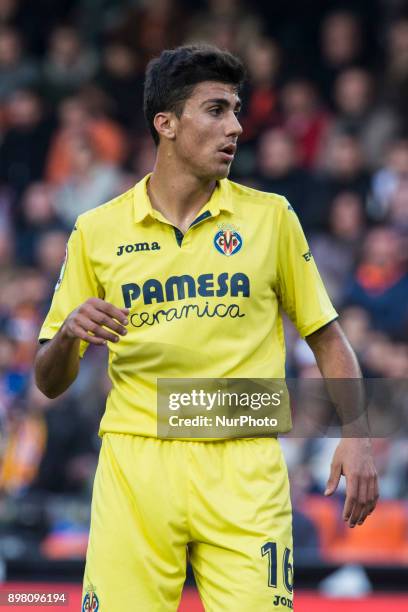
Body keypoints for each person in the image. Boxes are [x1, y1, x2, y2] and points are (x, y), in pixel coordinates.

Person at [34, 45, 378, 611]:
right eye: (217, 110)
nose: (237, 127)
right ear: (165, 124)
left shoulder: (272, 217)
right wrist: (69, 332)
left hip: (244, 463)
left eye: (237, 110)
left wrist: (358, 433)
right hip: (136, 464)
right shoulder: (96, 230)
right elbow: (49, 381)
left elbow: (327, 338)